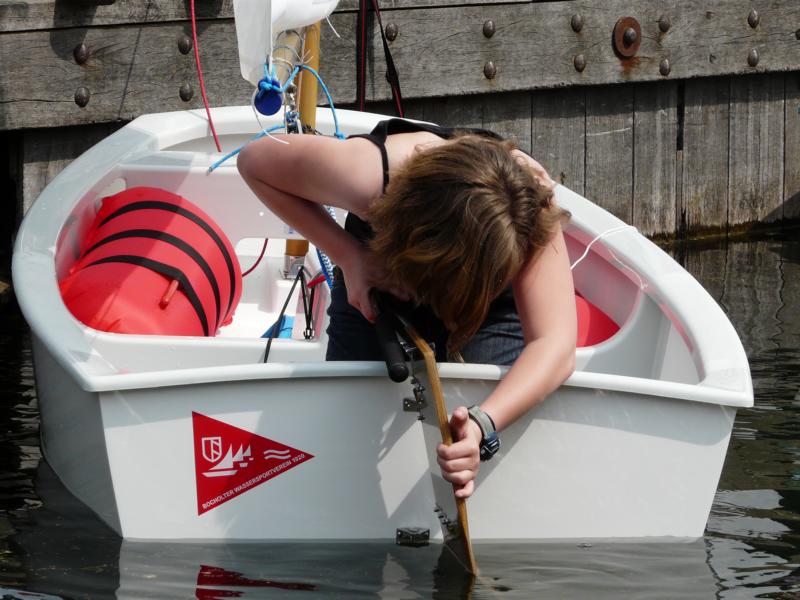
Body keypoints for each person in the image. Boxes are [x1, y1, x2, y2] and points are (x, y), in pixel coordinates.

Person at [238, 118, 576, 499]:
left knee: (498, 423)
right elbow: (254, 162)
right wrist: (349, 257)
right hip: (382, 268)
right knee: (348, 433)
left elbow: (556, 344)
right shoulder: (368, 175)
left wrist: (483, 422)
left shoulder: (531, 207)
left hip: (491, 306)